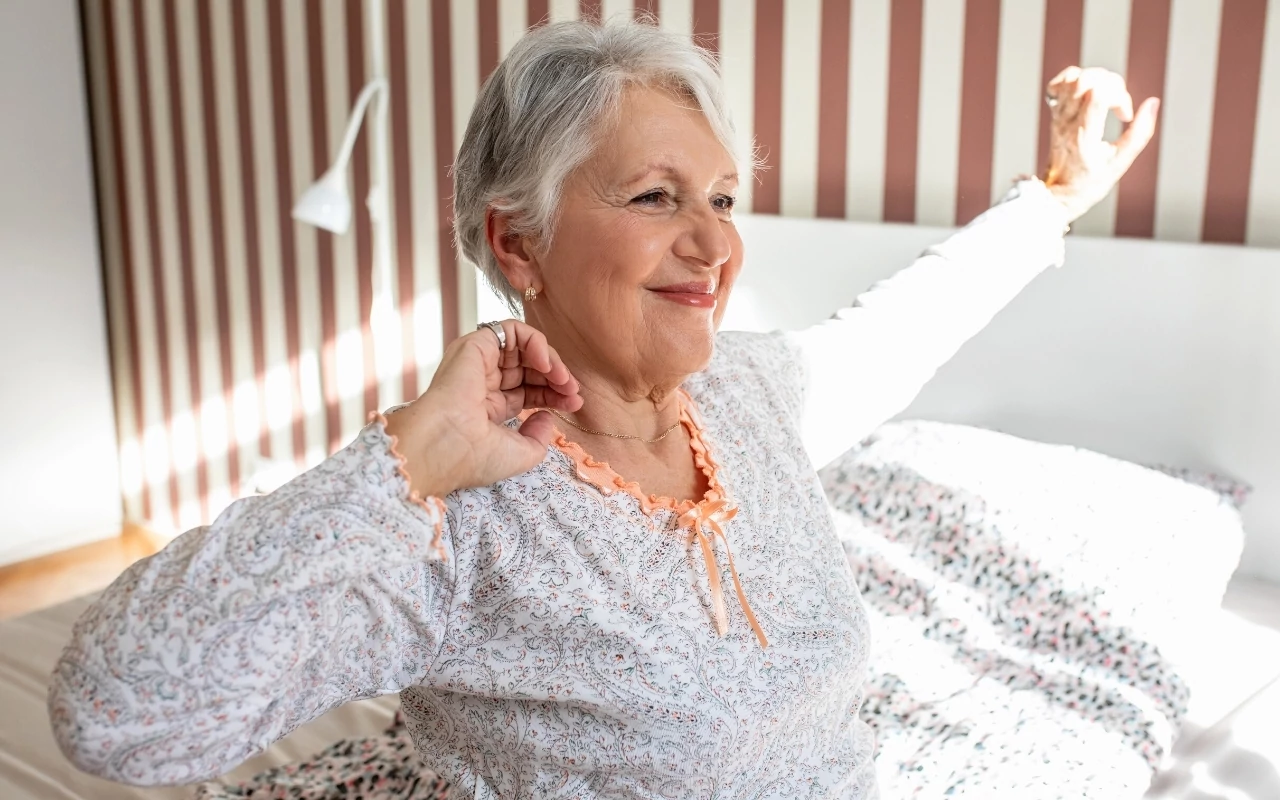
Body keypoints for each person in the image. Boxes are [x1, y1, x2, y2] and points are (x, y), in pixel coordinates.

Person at [49, 19, 1158, 800]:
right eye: (655, 197)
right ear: (518, 243)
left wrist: (1053, 199)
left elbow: (891, 333)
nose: (714, 243)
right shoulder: (457, 512)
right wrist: (412, 458)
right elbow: (118, 715)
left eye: (721, 197)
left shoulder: (750, 393)